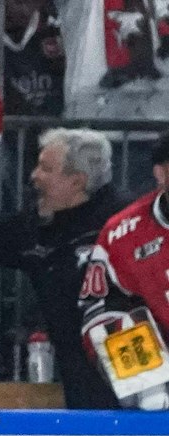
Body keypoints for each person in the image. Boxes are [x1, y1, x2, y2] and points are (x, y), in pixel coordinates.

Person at [0, 127, 124, 409]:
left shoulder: (127, 225)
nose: (34, 175)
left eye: (46, 168)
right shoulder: (37, 228)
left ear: (77, 181)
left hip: (138, 372)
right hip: (79, 387)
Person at [79, 134, 169, 411]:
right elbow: (98, 311)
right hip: (160, 389)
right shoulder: (122, 235)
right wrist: (148, 378)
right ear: (161, 173)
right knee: (120, 325)